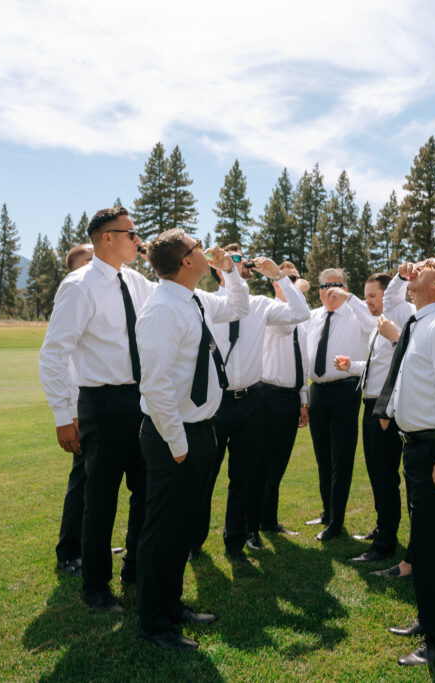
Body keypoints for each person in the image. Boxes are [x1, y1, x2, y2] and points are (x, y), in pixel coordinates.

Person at [135, 229, 249, 651]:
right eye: (200, 248)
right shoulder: (163, 309)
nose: (207, 252)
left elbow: (240, 305)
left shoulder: (194, 299)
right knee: (162, 531)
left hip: (201, 429)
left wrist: (230, 269)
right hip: (173, 436)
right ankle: (154, 622)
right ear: (186, 261)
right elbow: (156, 385)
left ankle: (172, 604)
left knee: (181, 528)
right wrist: (179, 445)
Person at [38, 208, 149, 611]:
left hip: (141, 400)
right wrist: (63, 416)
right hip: (101, 403)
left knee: (146, 487)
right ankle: (95, 586)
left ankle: (135, 568)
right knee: (100, 498)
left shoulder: (137, 282)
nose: (138, 240)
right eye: (131, 234)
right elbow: (53, 354)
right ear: (107, 237)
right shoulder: (79, 286)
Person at [374, 256, 435, 666]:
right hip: (418, 448)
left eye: (432, 264)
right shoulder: (422, 322)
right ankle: (428, 619)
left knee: (430, 550)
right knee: (425, 541)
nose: (421, 264)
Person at [194, 246, 310, 565]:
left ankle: (235, 542)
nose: (242, 264)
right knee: (205, 473)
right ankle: (194, 541)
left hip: (252, 401)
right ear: (218, 267)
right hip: (215, 402)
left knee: (244, 476)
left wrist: (279, 277)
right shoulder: (208, 302)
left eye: (243, 260)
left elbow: (301, 313)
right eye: (233, 260)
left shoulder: (260, 305)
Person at [333, 273, 412, 563]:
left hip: (384, 409)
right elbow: (377, 365)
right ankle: (382, 529)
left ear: (388, 295)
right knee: (377, 475)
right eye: (365, 296)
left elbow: (405, 364)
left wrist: (386, 412)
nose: (368, 302)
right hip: (371, 405)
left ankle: (385, 544)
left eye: (372, 296)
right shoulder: (379, 326)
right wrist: (351, 365)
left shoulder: (397, 323)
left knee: (385, 476)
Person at [303, 268, 376, 541]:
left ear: (345, 287)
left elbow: (374, 323)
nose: (329, 290)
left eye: (335, 285)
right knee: (322, 457)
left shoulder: (356, 314)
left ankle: (336, 522)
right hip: (317, 392)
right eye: (324, 286)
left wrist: (350, 297)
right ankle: (327, 511)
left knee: (340, 459)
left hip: (346, 390)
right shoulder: (313, 316)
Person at [48, 243, 97, 577]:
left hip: (97, 403)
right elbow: (59, 362)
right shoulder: (74, 294)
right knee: (82, 479)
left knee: (96, 481)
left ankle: (88, 543)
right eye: (89, 260)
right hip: (81, 404)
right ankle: (69, 551)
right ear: (77, 266)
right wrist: (66, 414)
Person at [254, 262, 311, 539]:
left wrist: (303, 399)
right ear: (275, 282)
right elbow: (287, 328)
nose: (292, 281)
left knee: (278, 463)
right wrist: (292, 288)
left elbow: (302, 361)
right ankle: (249, 525)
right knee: (260, 463)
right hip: (268, 395)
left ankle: (268, 519)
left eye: (295, 277)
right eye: (286, 278)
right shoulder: (270, 309)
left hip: (290, 397)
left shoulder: (301, 320)